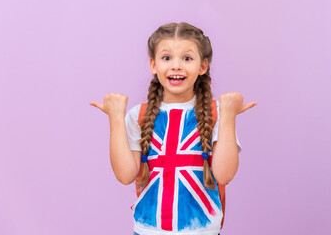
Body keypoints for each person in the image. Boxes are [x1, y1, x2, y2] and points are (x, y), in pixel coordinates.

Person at [89, 22, 257, 235]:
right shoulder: (138, 116)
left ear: (202, 67)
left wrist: (229, 115)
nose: (176, 66)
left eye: (187, 58)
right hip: (147, 230)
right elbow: (125, 175)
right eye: (166, 58)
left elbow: (223, 175)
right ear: (153, 65)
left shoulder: (217, 113)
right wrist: (115, 118)